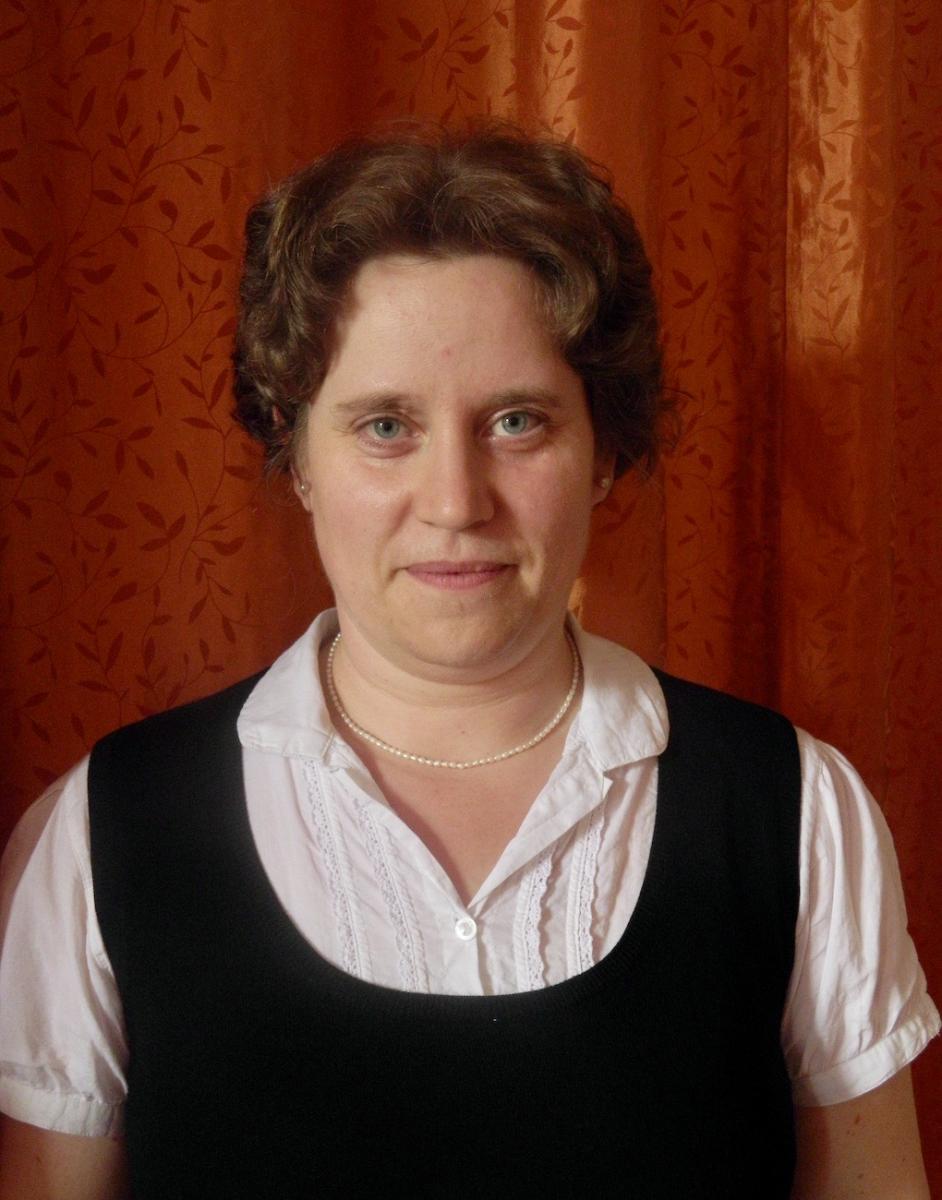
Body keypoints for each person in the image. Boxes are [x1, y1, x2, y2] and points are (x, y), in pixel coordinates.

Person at [0, 124, 937, 1199]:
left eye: (517, 421)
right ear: (297, 457)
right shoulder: (104, 831)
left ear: (604, 452)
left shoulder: (797, 811)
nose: (455, 501)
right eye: (385, 426)